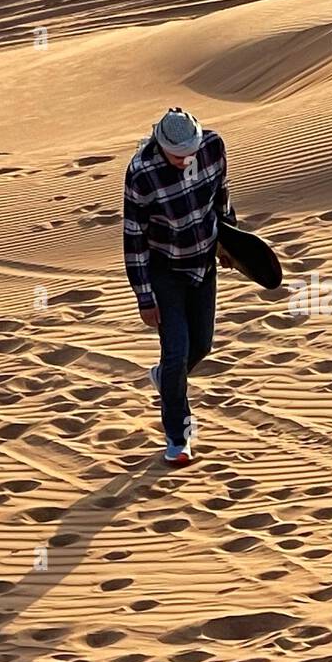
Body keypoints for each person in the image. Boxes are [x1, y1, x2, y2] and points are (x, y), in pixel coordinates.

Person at [123, 107, 236, 465]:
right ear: (161, 145)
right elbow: (134, 238)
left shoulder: (213, 148)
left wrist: (231, 244)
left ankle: (165, 379)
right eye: (178, 154)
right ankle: (178, 437)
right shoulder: (142, 173)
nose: (186, 157)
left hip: (202, 264)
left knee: (201, 344)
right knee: (177, 350)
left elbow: (222, 198)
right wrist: (145, 297)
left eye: (191, 149)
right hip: (165, 269)